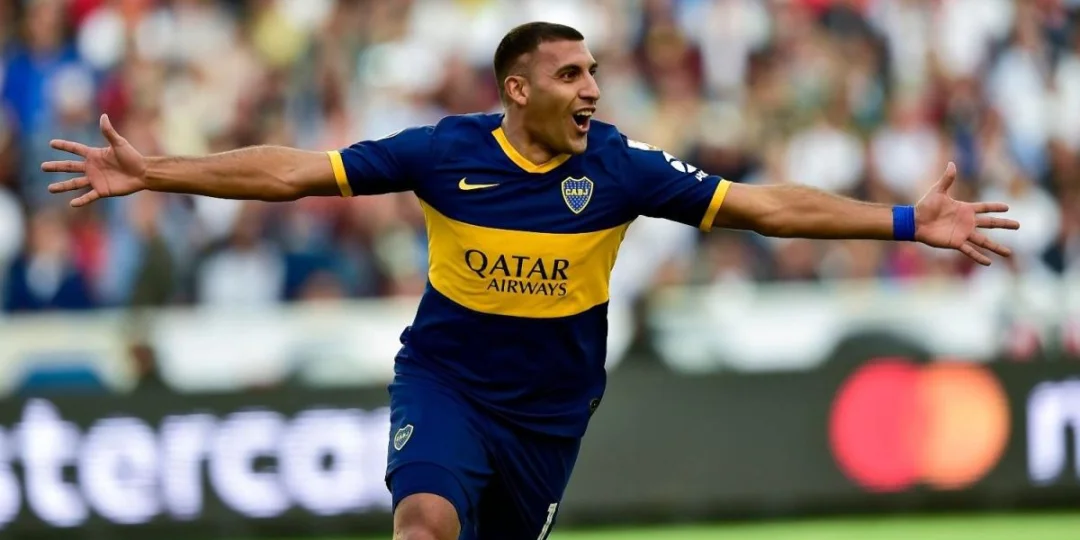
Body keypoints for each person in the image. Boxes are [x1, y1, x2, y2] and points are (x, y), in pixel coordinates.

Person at [42, 21, 1018, 540]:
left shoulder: (623, 168)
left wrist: (906, 221)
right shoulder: (444, 153)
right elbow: (295, 172)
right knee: (425, 523)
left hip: (548, 417)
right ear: (517, 91)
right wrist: (154, 170)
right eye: (569, 76)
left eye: (593, 72)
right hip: (447, 383)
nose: (591, 88)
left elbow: (763, 206)